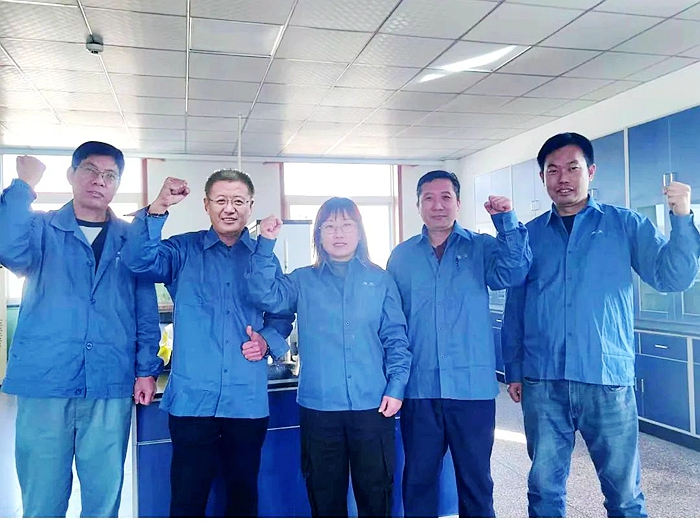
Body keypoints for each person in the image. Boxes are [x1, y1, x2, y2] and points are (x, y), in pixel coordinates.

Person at [501, 132, 700, 518]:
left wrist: (681, 217)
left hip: (607, 379)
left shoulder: (624, 225)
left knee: (624, 495)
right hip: (544, 381)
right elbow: (516, 307)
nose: (563, 178)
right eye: (553, 170)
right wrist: (514, 369)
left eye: (572, 168)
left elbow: (673, 278)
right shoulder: (530, 235)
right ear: (542, 178)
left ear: (590, 172)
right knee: (543, 491)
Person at [0, 143, 162, 518]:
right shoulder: (41, 227)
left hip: (109, 381)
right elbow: (8, 249)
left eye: (109, 175)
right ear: (71, 175)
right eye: (90, 170)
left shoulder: (130, 240)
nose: (99, 181)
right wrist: (23, 185)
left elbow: (145, 311)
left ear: (117, 184)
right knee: (42, 500)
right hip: (46, 381)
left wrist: (146, 369)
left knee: (103, 500)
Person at [121, 169, 294, 518]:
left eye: (238, 201)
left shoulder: (263, 257)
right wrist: (159, 206)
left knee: (242, 498)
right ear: (206, 205)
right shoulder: (183, 250)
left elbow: (282, 312)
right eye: (221, 200)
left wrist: (267, 341)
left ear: (250, 206)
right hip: (192, 401)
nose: (229, 208)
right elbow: (137, 261)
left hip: (245, 401)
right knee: (188, 498)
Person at [247, 197, 412, 518]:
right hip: (320, 407)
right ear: (318, 235)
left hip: (373, 405)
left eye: (347, 225)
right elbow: (264, 294)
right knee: (325, 498)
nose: (339, 233)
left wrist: (396, 386)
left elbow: (396, 339)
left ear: (360, 232)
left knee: (376, 494)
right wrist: (265, 243)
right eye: (330, 226)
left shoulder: (380, 280)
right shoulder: (301, 280)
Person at [386, 170, 531, 518]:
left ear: (458, 203)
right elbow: (392, 323)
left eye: (446, 197)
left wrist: (506, 222)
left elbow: (514, 273)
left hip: (472, 391)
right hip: (420, 390)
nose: (438, 205)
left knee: (476, 484)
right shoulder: (401, 258)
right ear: (418, 205)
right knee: (418, 483)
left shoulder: (482, 247)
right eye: (429, 198)